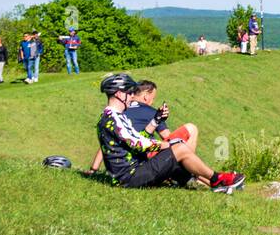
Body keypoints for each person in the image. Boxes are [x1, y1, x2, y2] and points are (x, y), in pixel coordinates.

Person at [89, 74, 243, 193]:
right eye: (129, 92)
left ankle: (218, 183)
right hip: (129, 177)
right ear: (118, 94)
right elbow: (139, 143)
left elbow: (137, 138)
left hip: (132, 172)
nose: (131, 96)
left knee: (176, 154)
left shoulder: (113, 116)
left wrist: (155, 121)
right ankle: (217, 179)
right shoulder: (113, 118)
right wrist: (168, 144)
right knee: (180, 149)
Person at [86, 79, 198, 175]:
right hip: (145, 157)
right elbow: (168, 137)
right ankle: (190, 171)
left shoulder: (118, 112)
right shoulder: (151, 112)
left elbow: (107, 143)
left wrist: (93, 169)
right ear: (145, 97)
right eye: (153, 98)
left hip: (123, 163)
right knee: (191, 129)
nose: (153, 101)